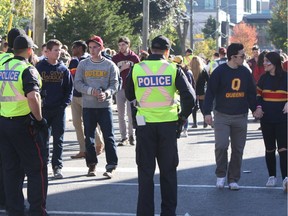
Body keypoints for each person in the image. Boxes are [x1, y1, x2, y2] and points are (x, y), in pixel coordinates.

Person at [125, 35, 196, 216]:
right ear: (167, 51)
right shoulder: (173, 68)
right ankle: (168, 213)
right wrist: (182, 118)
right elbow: (190, 97)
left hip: (145, 126)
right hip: (168, 125)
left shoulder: (137, 68)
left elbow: (129, 94)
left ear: (150, 50)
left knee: (146, 174)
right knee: (168, 173)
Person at [0, 34, 48, 215]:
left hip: (4, 123)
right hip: (23, 124)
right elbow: (33, 96)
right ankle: (37, 210)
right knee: (37, 168)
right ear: (29, 50)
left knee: (11, 170)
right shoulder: (27, 69)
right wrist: (39, 120)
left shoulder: (3, 67)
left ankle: (14, 210)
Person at [203, 43, 259, 190]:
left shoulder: (245, 72)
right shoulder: (219, 72)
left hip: (240, 116)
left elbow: (251, 93)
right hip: (222, 115)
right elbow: (210, 93)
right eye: (242, 56)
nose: (244, 58)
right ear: (233, 57)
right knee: (221, 146)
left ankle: (233, 178)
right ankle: (221, 174)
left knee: (238, 149)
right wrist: (207, 112)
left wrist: (255, 109)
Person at [74, 35, 119, 178]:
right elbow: (77, 83)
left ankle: (111, 166)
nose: (92, 50)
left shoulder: (110, 65)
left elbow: (115, 84)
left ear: (102, 48)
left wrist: (106, 93)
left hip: (104, 106)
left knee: (109, 136)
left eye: (95, 47)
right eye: (90, 47)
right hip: (88, 106)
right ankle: (91, 165)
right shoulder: (83, 64)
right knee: (89, 137)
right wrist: (90, 91)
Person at [36, 39, 73, 179]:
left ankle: (57, 166)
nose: (58, 53)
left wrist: (64, 105)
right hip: (44, 109)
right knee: (43, 139)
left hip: (59, 110)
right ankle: (42, 165)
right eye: (56, 50)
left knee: (58, 139)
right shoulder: (40, 67)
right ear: (48, 52)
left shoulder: (63, 69)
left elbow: (69, 89)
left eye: (60, 50)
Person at [0, 27, 26, 211]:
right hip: (19, 117)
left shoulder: (1, 59)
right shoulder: (23, 63)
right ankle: (14, 202)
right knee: (17, 165)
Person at [256, 52, 287, 192]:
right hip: (267, 119)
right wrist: (258, 107)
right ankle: (272, 176)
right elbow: (258, 97)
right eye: (264, 61)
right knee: (269, 148)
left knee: (283, 149)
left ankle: (286, 178)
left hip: (283, 119)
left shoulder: (286, 77)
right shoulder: (263, 78)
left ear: (274, 62)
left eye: (267, 61)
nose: (264, 64)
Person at [69, 40, 104, 159]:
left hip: (87, 96)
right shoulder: (76, 60)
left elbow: (75, 76)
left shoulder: (85, 61)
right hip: (75, 95)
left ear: (80, 48)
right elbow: (72, 78)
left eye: (74, 47)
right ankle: (82, 149)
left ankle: (99, 144)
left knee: (89, 122)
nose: (72, 49)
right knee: (77, 123)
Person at [112, 36, 140, 146]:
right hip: (119, 88)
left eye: (123, 45)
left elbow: (139, 74)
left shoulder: (135, 58)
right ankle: (124, 137)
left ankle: (132, 135)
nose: (121, 47)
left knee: (130, 113)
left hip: (132, 89)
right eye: (119, 45)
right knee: (120, 114)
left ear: (128, 45)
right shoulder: (115, 58)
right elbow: (112, 74)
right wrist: (121, 69)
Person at [191, 56, 210, 128]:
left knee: (194, 108)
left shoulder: (190, 71)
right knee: (202, 107)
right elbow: (209, 80)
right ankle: (205, 121)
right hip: (202, 91)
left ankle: (195, 123)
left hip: (193, 92)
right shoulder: (203, 71)